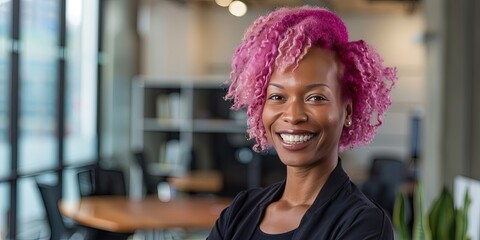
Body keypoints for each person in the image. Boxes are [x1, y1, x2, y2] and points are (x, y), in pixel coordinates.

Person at [208, 6, 397, 240]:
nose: (293, 115)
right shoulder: (239, 212)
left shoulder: (363, 224)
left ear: (347, 110)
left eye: (316, 98)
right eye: (277, 97)